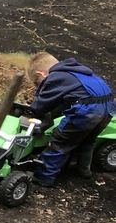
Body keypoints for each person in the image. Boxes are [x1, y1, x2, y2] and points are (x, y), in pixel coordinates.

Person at [26, 52, 115, 186]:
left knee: (60, 141)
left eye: (38, 83)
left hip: (88, 111)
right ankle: (84, 171)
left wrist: (31, 112)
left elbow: (42, 104)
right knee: (87, 141)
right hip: (109, 107)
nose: (39, 86)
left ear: (41, 74)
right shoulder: (77, 72)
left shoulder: (55, 77)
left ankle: (44, 177)